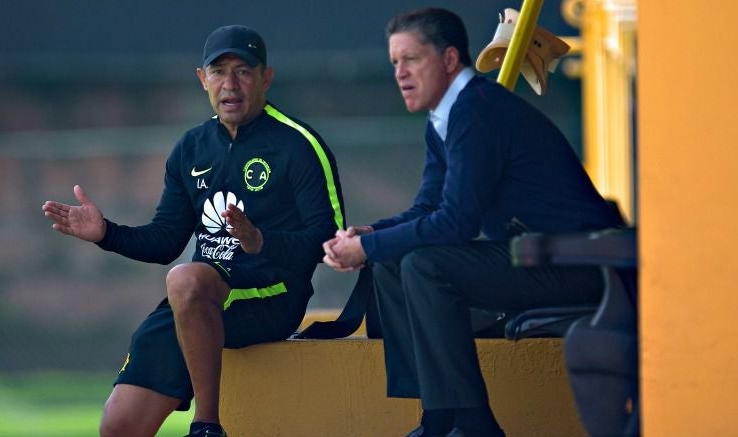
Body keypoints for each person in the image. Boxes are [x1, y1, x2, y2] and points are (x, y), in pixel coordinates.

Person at [323, 7, 622, 437]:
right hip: (531, 258)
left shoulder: (477, 109)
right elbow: (427, 209)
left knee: (424, 266)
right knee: (391, 262)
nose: (400, 74)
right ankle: (439, 415)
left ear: (448, 60)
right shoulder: (443, 119)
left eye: (412, 60)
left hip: (578, 262)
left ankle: (471, 423)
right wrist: (372, 236)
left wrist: (367, 248)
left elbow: (456, 223)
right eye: (394, 63)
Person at [43, 24, 344, 437]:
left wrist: (261, 242)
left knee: (185, 278)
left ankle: (206, 426)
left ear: (265, 78)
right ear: (203, 79)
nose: (230, 84)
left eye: (243, 71)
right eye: (219, 72)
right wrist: (106, 234)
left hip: (271, 298)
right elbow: (166, 239)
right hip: (199, 298)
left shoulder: (298, 145)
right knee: (118, 425)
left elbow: (331, 242)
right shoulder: (191, 147)